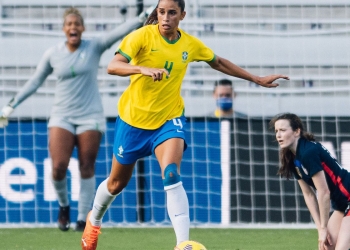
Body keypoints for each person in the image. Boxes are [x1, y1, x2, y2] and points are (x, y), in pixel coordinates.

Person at [80, 0, 289, 249]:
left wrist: (255, 78)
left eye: (171, 13)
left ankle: (183, 244)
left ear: (182, 15)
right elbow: (113, 66)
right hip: (133, 122)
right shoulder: (141, 37)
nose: (165, 18)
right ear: (156, 14)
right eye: (161, 12)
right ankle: (93, 221)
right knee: (116, 183)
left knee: (171, 173)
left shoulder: (189, 44)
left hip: (169, 118)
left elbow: (218, 62)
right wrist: (142, 69)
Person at [0, 7, 147, 232]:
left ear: (83, 28)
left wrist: (140, 18)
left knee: (87, 166)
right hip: (62, 115)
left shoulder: (94, 46)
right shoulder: (53, 53)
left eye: (77, 24)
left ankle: (81, 218)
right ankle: (63, 206)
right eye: (69, 24)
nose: (73, 28)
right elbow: (35, 81)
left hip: (91, 115)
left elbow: (119, 32)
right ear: (63, 29)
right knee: (58, 167)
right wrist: (11, 105)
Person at [270, 113, 350, 250]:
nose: (278, 135)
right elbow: (308, 195)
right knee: (326, 247)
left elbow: (324, 192)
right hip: (341, 204)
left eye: (283, 130)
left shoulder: (308, 152)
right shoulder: (292, 157)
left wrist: (324, 227)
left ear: (296, 131)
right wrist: (320, 228)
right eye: (276, 131)